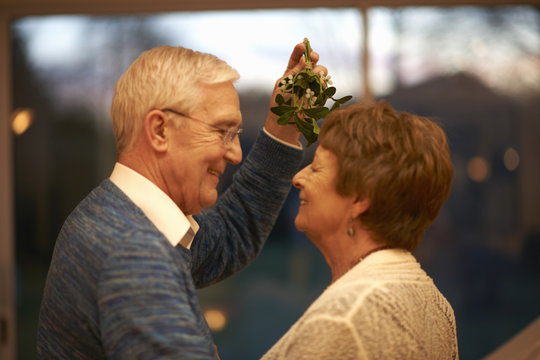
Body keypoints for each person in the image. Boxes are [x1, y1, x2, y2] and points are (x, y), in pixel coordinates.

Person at [37, 43, 327, 359]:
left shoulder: (116, 217)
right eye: (222, 132)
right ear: (160, 130)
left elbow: (231, 232)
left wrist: (282, 128)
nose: (236, 153)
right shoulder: (134, 256)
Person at [261, 100, 458, 359]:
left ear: (359, 198)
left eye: (317, 167)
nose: (298, 178)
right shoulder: (437, 305)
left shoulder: (343, 318)